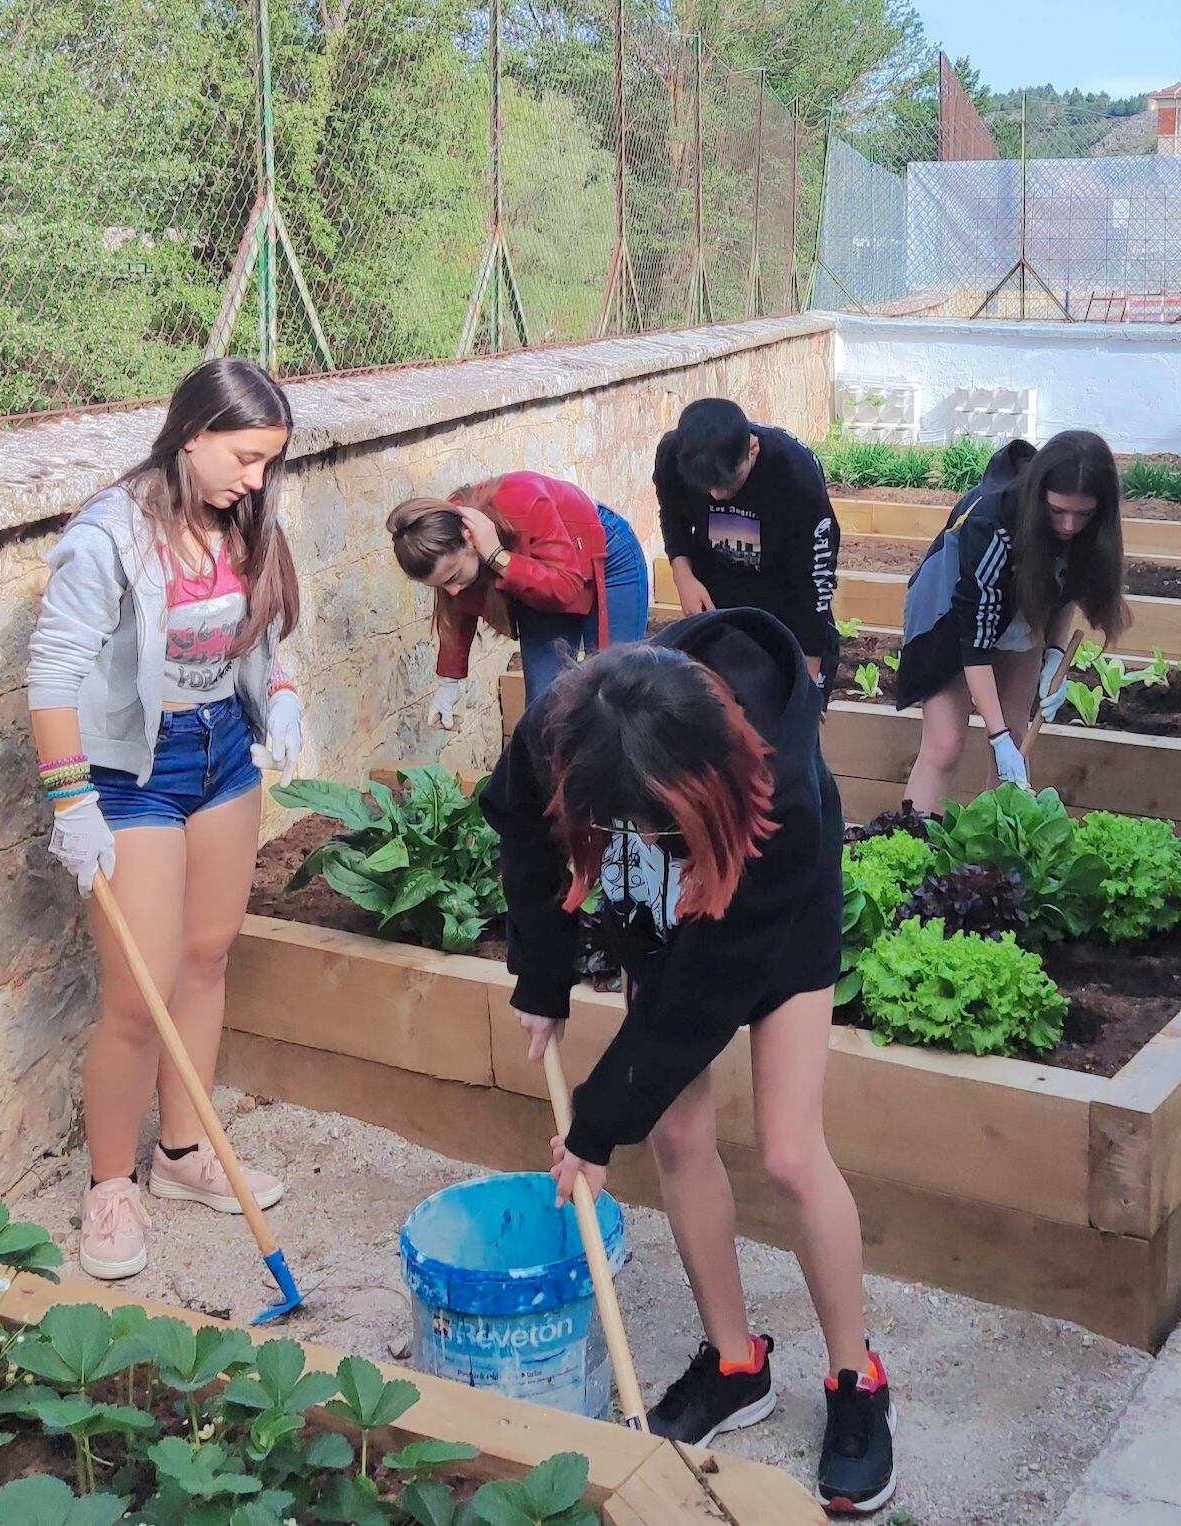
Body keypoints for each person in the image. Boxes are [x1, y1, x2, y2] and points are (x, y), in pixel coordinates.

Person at [480, 609, 897, 1516]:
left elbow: (701, 996)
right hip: (656, 917)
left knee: (789, 1151)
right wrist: (542, 977)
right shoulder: (566, 720)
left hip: (765, 925)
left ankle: (855, 1378)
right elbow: (524, 827)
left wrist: (595, 1125)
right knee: (676, 1135)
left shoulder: (782, 798)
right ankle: (736, 1363)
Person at [25, 357, 307, 1281]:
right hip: (132, 771)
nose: (256, 480)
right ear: (194, 431)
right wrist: (72, 799)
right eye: (247, 456)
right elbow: (55, 672)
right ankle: (111, 1184)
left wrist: (285, 694)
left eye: (269, 462)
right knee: (136, 994)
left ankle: (183, 1155)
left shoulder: (239, 519)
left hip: (223, 752)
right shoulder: (110, 533)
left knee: (206, 954)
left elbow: (259, 630)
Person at [895, 430, 1127, 810]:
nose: (1069, 525)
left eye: (1082, 514)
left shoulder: (1089, 530)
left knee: (1017, 744)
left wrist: (1054, 654)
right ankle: (914, 847)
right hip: (951, 610)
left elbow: (1063, 588)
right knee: (946, 745)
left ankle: (999, 862)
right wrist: (996, 735)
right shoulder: (992, 524)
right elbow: (974, 644)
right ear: (1040, 498)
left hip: (1020, 604)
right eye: (1058, 511)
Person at [387, 472, 650, 713]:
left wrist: (498, 557)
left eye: (454, 578)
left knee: (615, 688)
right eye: (441, 585)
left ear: (469, 538)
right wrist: (449, 681)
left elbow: (568, 587)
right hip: (535, 577)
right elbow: (457, 608)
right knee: (543, 701)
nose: (453, 592)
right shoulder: (440, 539)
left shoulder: (526, 500)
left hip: (607, 554)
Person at [653, 397, 841, 690]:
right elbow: (673, 518)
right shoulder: (673, 456)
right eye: (706, 487)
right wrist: (683, 575)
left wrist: (808, 683)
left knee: (792, 726)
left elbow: (814, 579)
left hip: (786, 610)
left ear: (753, 449)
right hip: (717, 611)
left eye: (728, 482)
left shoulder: (795, 474)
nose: (716, 495)